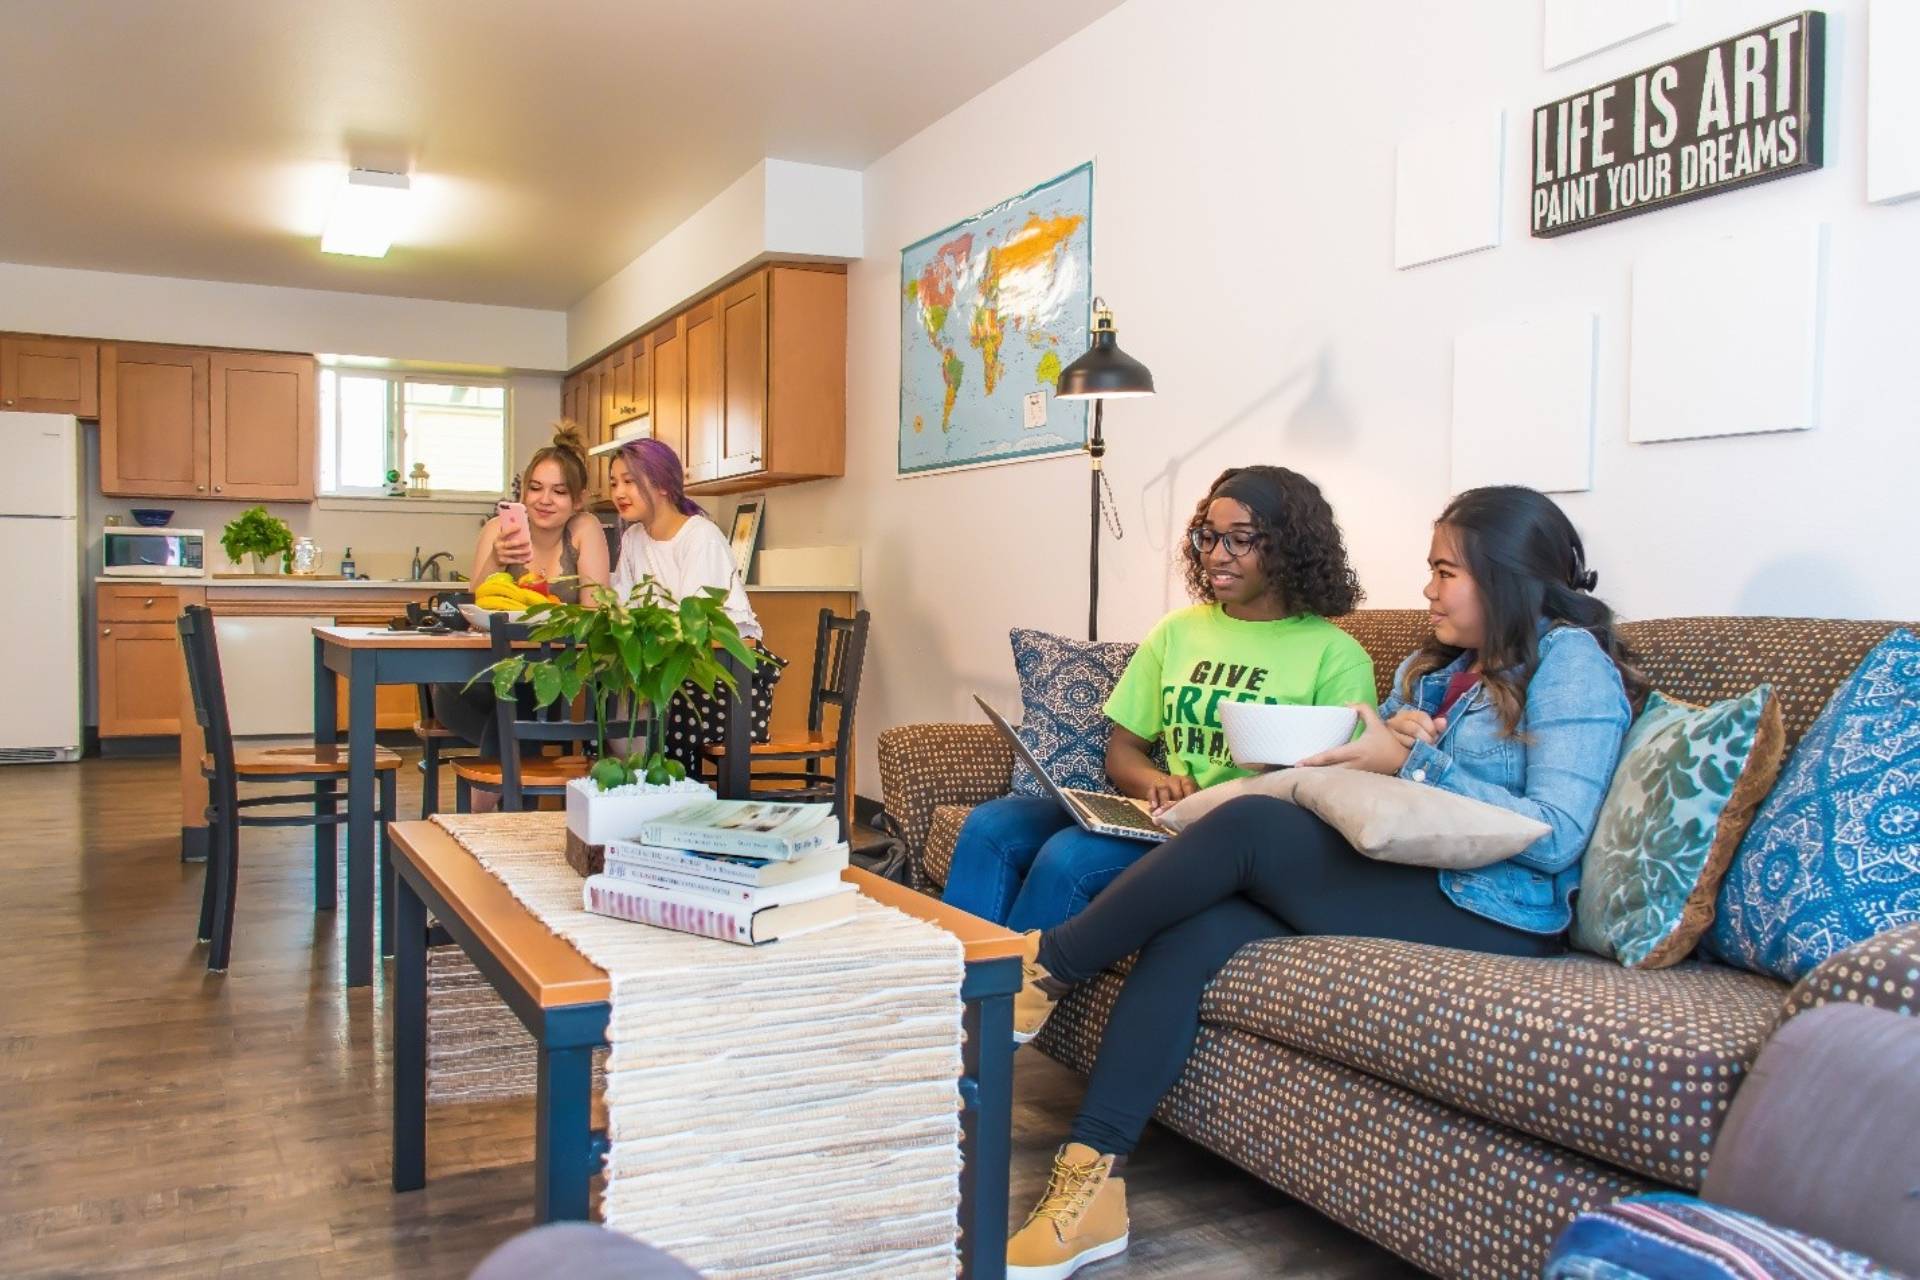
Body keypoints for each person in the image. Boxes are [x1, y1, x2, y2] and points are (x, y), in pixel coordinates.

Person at [999, 485, 1645, 1280]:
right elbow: (1385, 790)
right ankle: (1089, 1185)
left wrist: (1413, 758)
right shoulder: (1435, 665)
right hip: (1406, 872)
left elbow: (1557, 834)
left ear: (1507, 578)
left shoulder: (1570, 668)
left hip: (1498, 908)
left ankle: (1042, 970)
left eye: (1447, 573)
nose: (1429, 590)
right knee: (1193, 930)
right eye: (1431, 570)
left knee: (1247, 828)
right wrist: (1393, 736)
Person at [940, 466, 1375, 933]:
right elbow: (1123, 750)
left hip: (1233, 840)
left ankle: (1000, 997)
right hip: (1162, 818)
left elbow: (1343, 790)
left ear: (1289, 545)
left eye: (1240, 540)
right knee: (991, 825)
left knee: (1069, 857)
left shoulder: (1336, 656)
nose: (1216, 556)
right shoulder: (1179, 631)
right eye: (1207, 537)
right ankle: (946, 984)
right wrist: (1154, 781)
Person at [432, 425, 609, 774]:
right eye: (536, 488)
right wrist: (497, 559)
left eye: (559, 491)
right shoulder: (499, 530)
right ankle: (503, 806)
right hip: (474, 682)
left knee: (524, 692)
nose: (545, 500)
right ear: (523, 493)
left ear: (578, 500)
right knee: (517, 698)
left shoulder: (584, 529)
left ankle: (489, 799)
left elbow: (595, 612)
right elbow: (474, 610)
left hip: (544, 680)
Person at [606, 437, 785, 772]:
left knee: (632, 721)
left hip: (723, 679)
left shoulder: (700, 536)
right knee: (615, 704)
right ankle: (641, 799)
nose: (618, 492)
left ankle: (657, 796)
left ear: (661, 485)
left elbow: (693, 621)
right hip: (663, 667)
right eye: (614, 482)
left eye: (629, 481)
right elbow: (623, 604)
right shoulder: (633, 538)